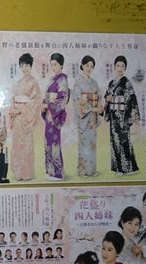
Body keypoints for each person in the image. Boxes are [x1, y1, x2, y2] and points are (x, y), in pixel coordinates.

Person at [104, 55, 141, 176]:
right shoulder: (111, 83)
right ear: (115, 67)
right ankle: (119, 168)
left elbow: (132, 99)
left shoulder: (127, 83)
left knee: (125, 141)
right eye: (118, 65)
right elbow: (106, 96)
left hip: (123, 117)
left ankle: (130, 168)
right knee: (114, 142)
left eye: (122, 66)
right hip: (114, 117)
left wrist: (135, 117)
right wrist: (107, 98)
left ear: (125, 68)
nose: (120, 68)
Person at [9, 53, 42, 181]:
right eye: (22, 66)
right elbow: (13, 99)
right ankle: (18, 172)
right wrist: (13, 111)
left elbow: (35, 101)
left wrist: (21, 110)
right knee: (17, 144)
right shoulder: (18, 83)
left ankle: (26, 173)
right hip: (17, 118)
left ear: (31, 66)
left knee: (26, 145)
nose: (24, 68)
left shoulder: (33, 82)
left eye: (27, 65)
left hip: (26, 118)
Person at [73, 55, 103, 177]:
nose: (89, 68)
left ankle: (92, 170)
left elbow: (99, 98)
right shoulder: (78, 83)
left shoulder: (94, 83)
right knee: (84, 145)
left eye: (91, 66)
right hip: (84, 119)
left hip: (92, 120)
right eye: (87, 65)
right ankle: (83, 170)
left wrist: (99, 108)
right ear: (82, 65)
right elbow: (77, 101)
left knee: (92, 145)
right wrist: (92, 108)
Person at [41, 52, 68, 181]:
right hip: (49, 116)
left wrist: (49, 106)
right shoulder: (53, 79)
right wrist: (43, 105)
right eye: (51, 64)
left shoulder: (62, 80)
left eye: (55, 64)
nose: (53, 67)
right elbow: (47, 97)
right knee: (48, 142)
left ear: (61, 65)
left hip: (54, 116)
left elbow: (63, 99)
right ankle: (50, 171)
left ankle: (58, 173)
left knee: (54, 143)